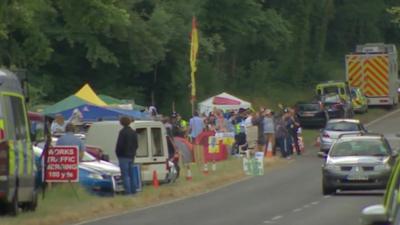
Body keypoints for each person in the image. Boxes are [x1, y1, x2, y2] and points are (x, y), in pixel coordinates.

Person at [115, 116, 138, 195]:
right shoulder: (133, 132)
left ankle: (128, 192)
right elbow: (136, 144)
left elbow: (120, 145)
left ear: (122, 122)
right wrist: (133, 152)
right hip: (131, 155)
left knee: (125, 175)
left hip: (123, 155)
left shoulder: (122, 132)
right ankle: (134, 190)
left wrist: (118, 153)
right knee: (132, 174)